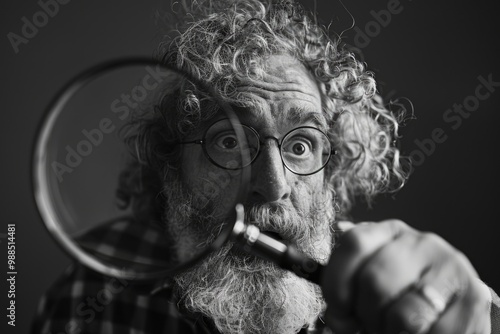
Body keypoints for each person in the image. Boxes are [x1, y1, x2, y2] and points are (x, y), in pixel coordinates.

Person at [32, 0, 499, 333]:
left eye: (301, 146)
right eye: (229, 142)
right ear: (170, 169)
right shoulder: (94, 292)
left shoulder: (379, 296)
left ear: (331, 179)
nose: (273, 185)